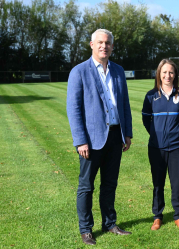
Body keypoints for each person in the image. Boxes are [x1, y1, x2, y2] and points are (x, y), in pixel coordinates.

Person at [66, 29, 133, 246]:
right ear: (91, 45)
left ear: (112, 46)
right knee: (86, 186)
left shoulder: (119, 71)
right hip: (91, 140)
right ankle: (86, 229)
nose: (104, 46)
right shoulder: (79, 71)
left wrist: (128, 133)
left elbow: (124, 104)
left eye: (108, 43)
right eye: (100, 42)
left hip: (115, 137)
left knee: (110, 184)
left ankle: (109, 223)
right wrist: (80, 140)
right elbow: (74, 108)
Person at [142, 59, 179, 231]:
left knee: (176, 183)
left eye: (171, 72)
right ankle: (157, 216)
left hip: (177, 146)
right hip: (156, 147)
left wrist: (176, 132)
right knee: (158, 183)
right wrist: (157, 135)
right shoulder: (151, 96)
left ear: (175, 74)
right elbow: (146, 120)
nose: (167, 75)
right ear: (159, 74)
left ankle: (178, 216)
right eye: (164, 72)